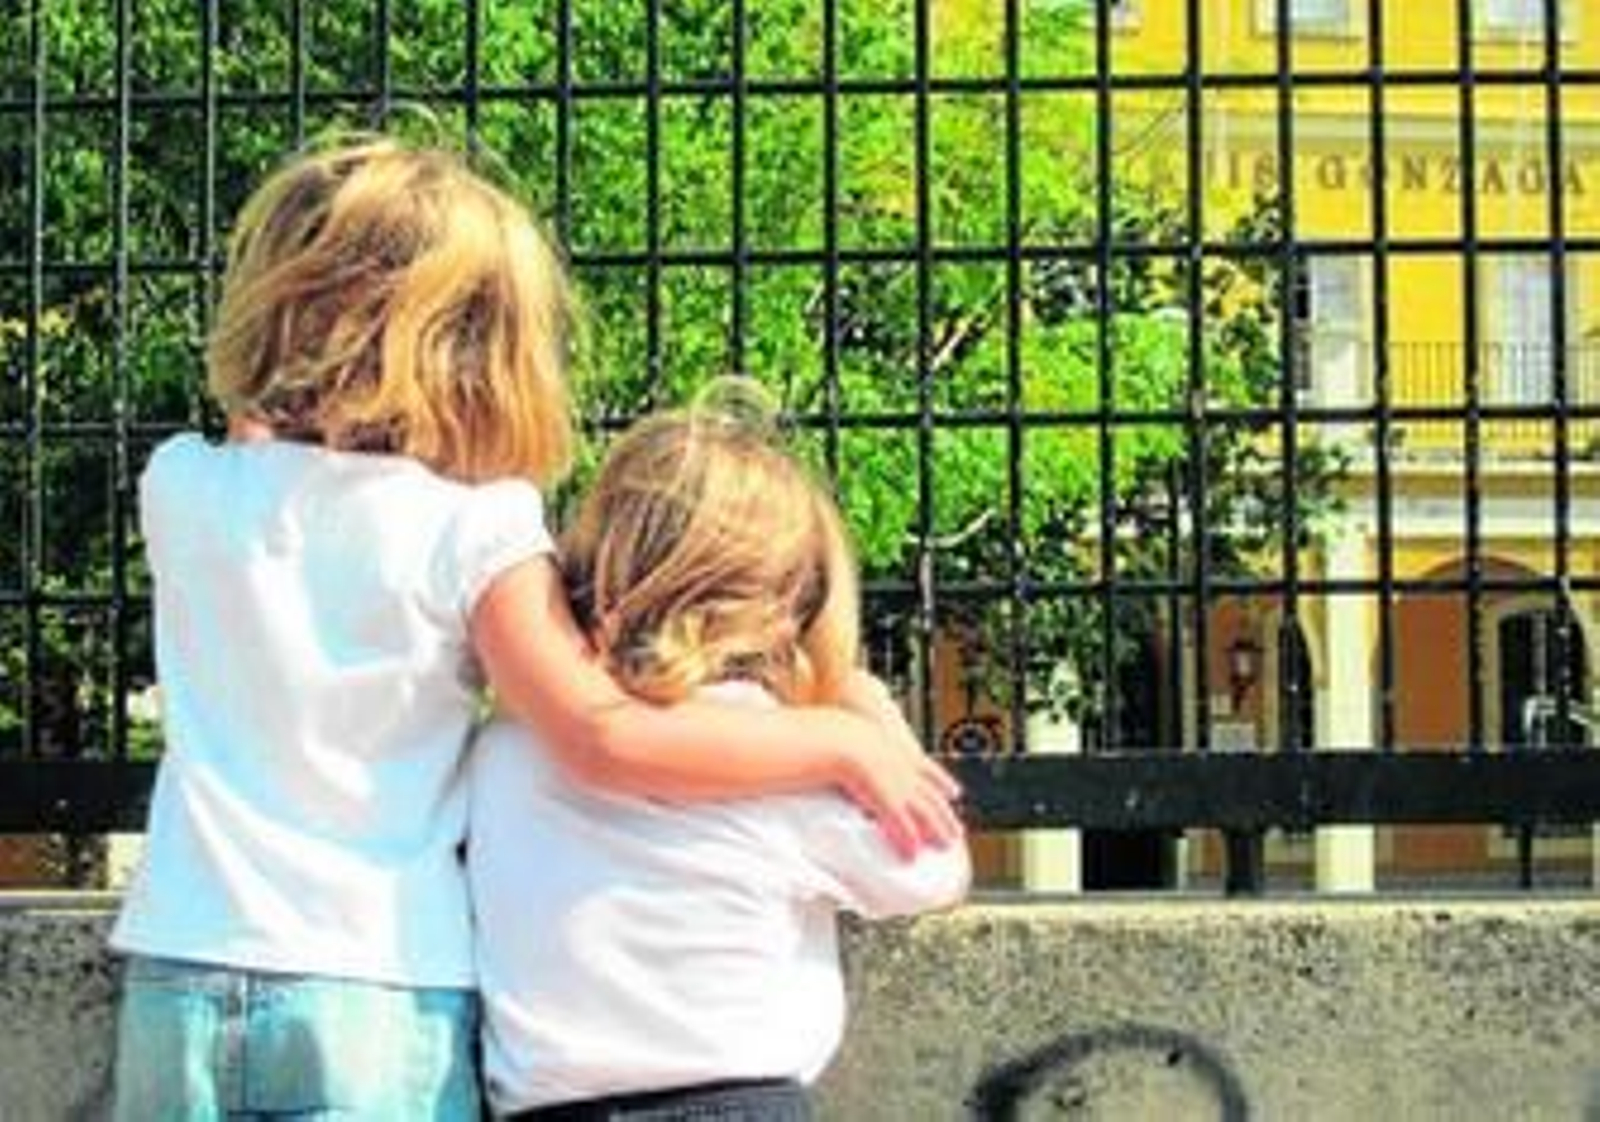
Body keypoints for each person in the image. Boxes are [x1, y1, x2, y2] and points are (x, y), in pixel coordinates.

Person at [108, 137, 960, 1120]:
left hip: (176, 963)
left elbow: (260, 439)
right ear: (480, 351)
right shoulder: (476, 529)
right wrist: (839, 733)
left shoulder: (180, 487)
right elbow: (606, 736)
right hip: (379, 980)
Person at [467, 389, 972, 1121]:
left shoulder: (508, 753)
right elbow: (931, 871)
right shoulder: (789, 759)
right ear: (784, 606)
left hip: (547, 1109)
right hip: (737, 1100)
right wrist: (872, 718)